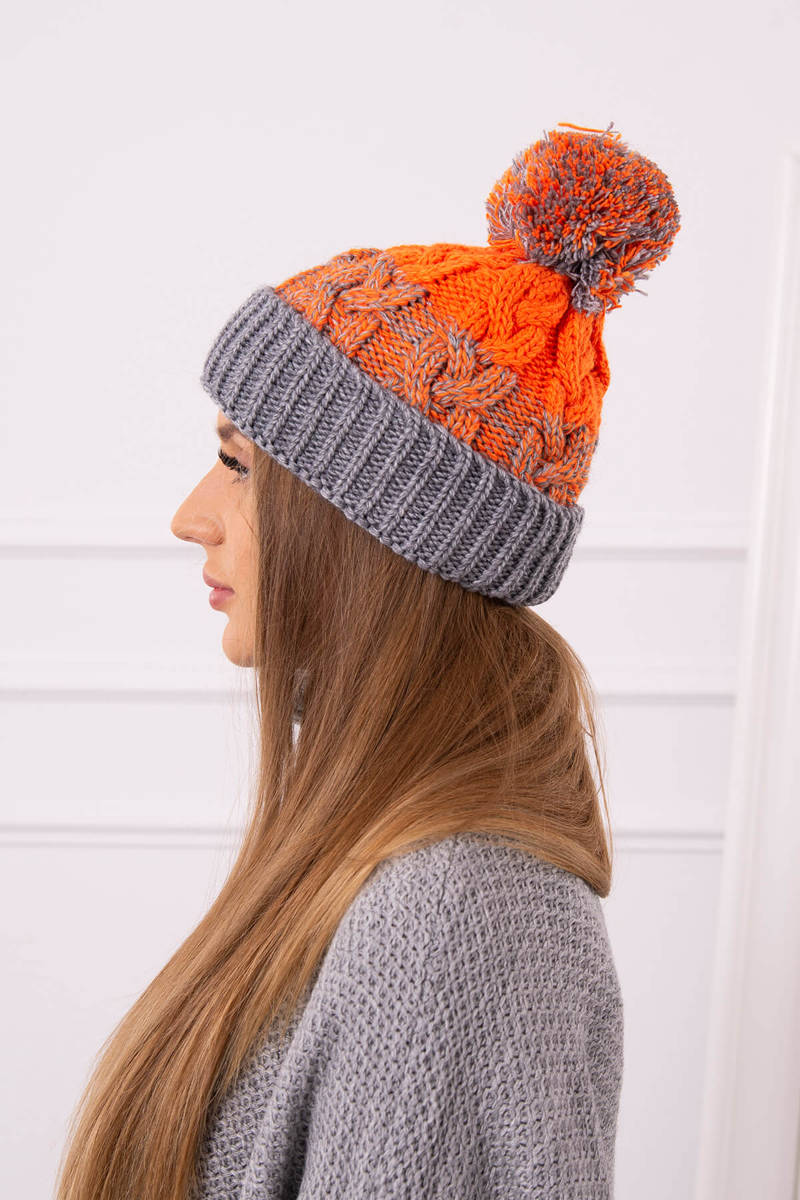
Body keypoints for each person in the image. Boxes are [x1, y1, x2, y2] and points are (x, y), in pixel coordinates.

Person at [55, 121, 680, 1199]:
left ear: (369, 527)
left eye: (237, 465)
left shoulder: (458, 919)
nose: (190, 517)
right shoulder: (391, 866)